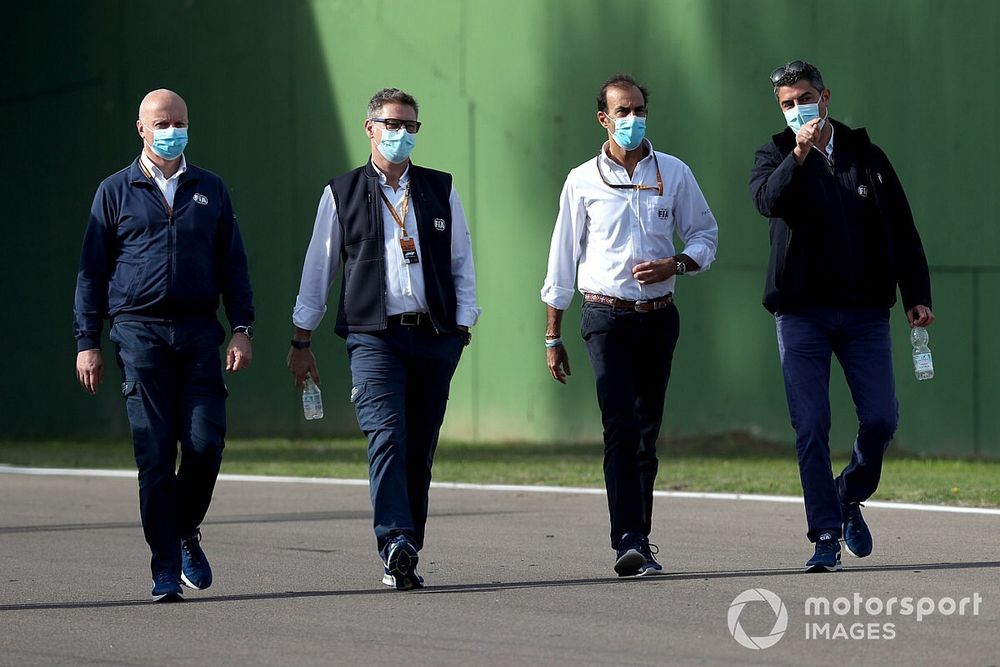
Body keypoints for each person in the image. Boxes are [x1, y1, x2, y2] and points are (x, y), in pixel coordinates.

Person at [287, 87, 480, 590]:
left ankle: (407, 549)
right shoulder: (342, 192)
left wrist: (462, 326)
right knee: (387, 436)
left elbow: (461, 261)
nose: (401, 134)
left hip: (434, 336)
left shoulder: (441, 188)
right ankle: (393, 537)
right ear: (370, 128)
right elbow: (319, 267)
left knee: (419, 448)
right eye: (392, 125)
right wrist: (301, 338)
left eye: (410, 126)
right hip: (374, 337)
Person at [749, 60, 934, 572]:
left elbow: (902, 228)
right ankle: (825, 534)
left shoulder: (865, 156)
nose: (796, 109)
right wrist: (801, 152)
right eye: (787, 103)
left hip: (864, 313)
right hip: (800, 313)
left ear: (825, 97)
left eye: (804, 98)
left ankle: (848, 492)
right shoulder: (775, 154)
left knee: (880, 419)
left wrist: (917, 294)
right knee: (811, 426)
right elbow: (768, 201)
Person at [74, 89, 255, 601]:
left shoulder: (211, 190)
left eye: (179, 121)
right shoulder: (115, 191)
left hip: (199, 332)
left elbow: (234, 267)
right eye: (161, 121)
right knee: (154, 452)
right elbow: (91, 274)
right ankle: (164, 565)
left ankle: (185, 528)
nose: (171, 128)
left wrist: (243, 327)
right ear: (141, 129)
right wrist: (87, 341)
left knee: (204, 443)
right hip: (138, 332)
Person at [541, 73, 719, 577]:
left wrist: (678, 264)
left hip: (659, 318)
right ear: (603, 118)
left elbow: (705, 232)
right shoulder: (582, 180)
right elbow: (561, 259)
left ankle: (641, 535)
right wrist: (553, 334)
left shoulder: (674, 173)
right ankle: (628, 539)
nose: (632, 119)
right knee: (618, 424)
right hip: (604, 316)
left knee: (646, 431)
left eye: (639, 109)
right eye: (622, 111)